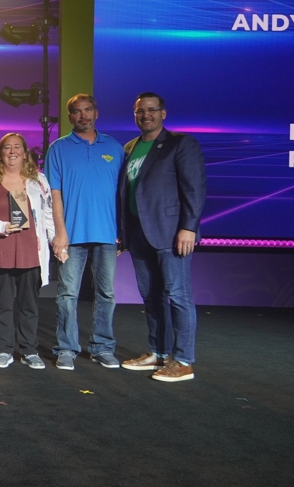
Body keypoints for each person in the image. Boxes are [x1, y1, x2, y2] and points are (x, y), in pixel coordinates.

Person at [118, 92, 206, 382]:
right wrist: (123, 233)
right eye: (140, 111)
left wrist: (188, 227)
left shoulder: (181, 143)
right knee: (151, 296)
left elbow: (194, 188)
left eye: (151, 109)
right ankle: (158, 352)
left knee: (178, 296)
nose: (146, 115)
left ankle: (183, 361)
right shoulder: (130, 147)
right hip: (138, 234)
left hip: (171, 233)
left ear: (163, 113)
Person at [45, 94, 124, 371]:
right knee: (68, 294)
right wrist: (60, 233)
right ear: (70, 117)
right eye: (77, 112)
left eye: (88, 110)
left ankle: (102, 347)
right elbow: (54, 195)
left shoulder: (114, 148)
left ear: (96, 113)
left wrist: (122, 231)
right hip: (72, 236)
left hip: (107, 234)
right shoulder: (58, 148)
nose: (83, 116)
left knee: (106, 294)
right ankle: (66, 348)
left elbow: (122, 193)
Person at [0, 133, 55, 369]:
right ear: (0, 153)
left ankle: (29, 351)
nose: (12, 151)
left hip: (30, 252)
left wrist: (56, 241)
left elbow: (48, 214)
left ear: (25, 153)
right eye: (7, 147)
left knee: (29, 306)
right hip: (1, 251)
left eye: (17, 147)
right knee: (3, 305)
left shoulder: (39, 181)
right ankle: (4, 350)